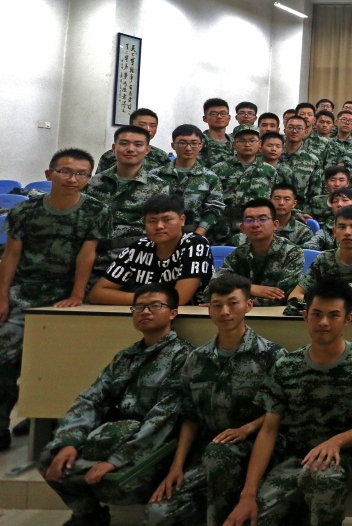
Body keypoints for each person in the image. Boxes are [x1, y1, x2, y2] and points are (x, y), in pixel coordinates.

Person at [224, 278, 352, 526]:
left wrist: (336, 442)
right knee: (254, 518)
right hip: (297, 457)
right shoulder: (286, 366)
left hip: (346, 457)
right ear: (305, 316)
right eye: (316, 314)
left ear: (348, 319)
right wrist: (247, 495)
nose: (323, 322)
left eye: (333, 315)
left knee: (320, 479)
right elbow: (269, 430)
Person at [40, 286, 193, 526]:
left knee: (115, 480)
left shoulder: (184, 358)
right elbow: (91, 399)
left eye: (155, 306)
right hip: (111, 440)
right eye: (139, 307)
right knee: (50, 458)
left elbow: (164, 418)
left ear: (173, 313)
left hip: (151, 451)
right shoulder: (125, 357)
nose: (145, 312)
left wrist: (116, 460)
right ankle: (89, 517)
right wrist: (69, 441)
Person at [144, 274, 286, 526]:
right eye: (217, 305)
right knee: (158, 513)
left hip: (259, 452)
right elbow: (190, 416)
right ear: (208, 308)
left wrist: (246, 429)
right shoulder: (197, 359)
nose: (225, 312)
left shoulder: (272, 356)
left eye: (233, 303)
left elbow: (280, 411)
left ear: (248, 305)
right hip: (209, 453)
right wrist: (177, 466)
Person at [0, 148, 110, 448]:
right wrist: (3, 297)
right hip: (23, 294)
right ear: (49, 174)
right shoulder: (24, 211)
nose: (72, 179)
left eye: (81, 174)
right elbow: (11, 256)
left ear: (89, 179)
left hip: (65, 297)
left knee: (58, 363)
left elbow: (87, 256)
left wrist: (77, 295)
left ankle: (45, 419)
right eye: (65, 171)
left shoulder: (96, 211)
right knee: (4, 359)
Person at [88, 195, 213, 306]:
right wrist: (147, 301)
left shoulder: (195, 244)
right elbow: (97, 294)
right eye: (152, 221)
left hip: (193, 316)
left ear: (182, 220)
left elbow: (179, 298)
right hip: (149, 314)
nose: (159, 226)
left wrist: (143, 299)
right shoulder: (138, 248)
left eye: (166, 220)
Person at [86, 125, 173, 265]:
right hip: (96, 259)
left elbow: (160, 227)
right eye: (124, 143)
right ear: (114, 148)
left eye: (138, 145)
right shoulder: (94, 183)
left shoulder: (159, 186)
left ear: (147, 150)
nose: (130, 149)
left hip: (138, 260)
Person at [292, 205, 352, 310]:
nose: (347, 232)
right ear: (334, 232)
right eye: (342, 227)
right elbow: (295, 295)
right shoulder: (323, 259)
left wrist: (325, 299)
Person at [216, 199, 305, 307]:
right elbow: (212, 289)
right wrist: (249, 287)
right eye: (249, 220)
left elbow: (280, 297)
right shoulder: (238, 254)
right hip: (240, 312)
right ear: (242, 228)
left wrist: (231, 299)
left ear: (275, 225)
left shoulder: (292, 253)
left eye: (262, 219)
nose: (255, 225)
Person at [149, 124, 224, 236]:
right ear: (173, 145)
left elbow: (214, 209)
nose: (188, 148)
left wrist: (198, 235)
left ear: (201, 146)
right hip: (160, 233)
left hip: (195, 233)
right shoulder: (155, 175)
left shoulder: (210, 178)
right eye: (182, 143)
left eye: (194, 143)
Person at [210, 128, 277, 242]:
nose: (247, 144)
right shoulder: (218, 169)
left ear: (259, 144)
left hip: (256, 229)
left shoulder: (269, 171)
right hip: (223, 230)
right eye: (242, 140)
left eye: (252, 140)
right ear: (234, 144)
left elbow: (276, 198)